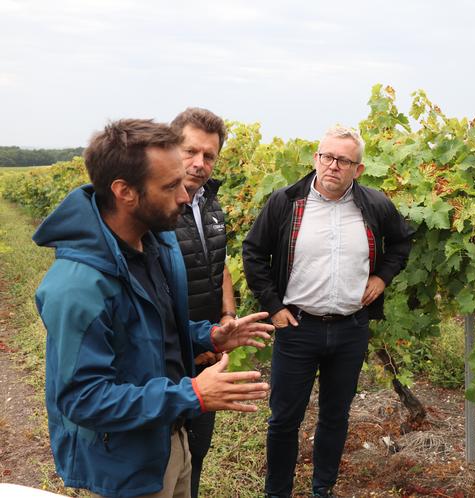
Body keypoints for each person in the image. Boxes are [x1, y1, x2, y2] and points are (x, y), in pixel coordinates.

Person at [33, 119, 274, 498]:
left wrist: (207, 335)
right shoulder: (78, 286)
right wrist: (192, 395)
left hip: (169, 438)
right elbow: (83, 399)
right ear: (125, 192)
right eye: (170, 186)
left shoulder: (156, 245)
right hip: (126, 463)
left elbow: (153, 331)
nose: (185, 195)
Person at [243, 126, 415, 498]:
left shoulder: (375, 205)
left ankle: (323, 489)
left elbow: (402, 241)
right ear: (315, 159)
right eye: (327, 157)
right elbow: (253, 253)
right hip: (297, 328)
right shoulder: (285, 203)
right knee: (284, 419)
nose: (333, 166)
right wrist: (273, 307)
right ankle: (278, 493)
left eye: (344, 160)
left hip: (351, 328)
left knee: (335, 417)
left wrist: (383, 277)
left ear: (359, 169)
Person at [171, 107, 233, 497]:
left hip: (206, 345)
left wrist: (226, 316)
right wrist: (187, 344)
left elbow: (220, 262)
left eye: (209, 155)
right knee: (164, 456)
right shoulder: (154, 207)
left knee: (197, 452)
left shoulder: (211, 203)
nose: (199, 163)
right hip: (169, 351)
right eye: (191, 151)